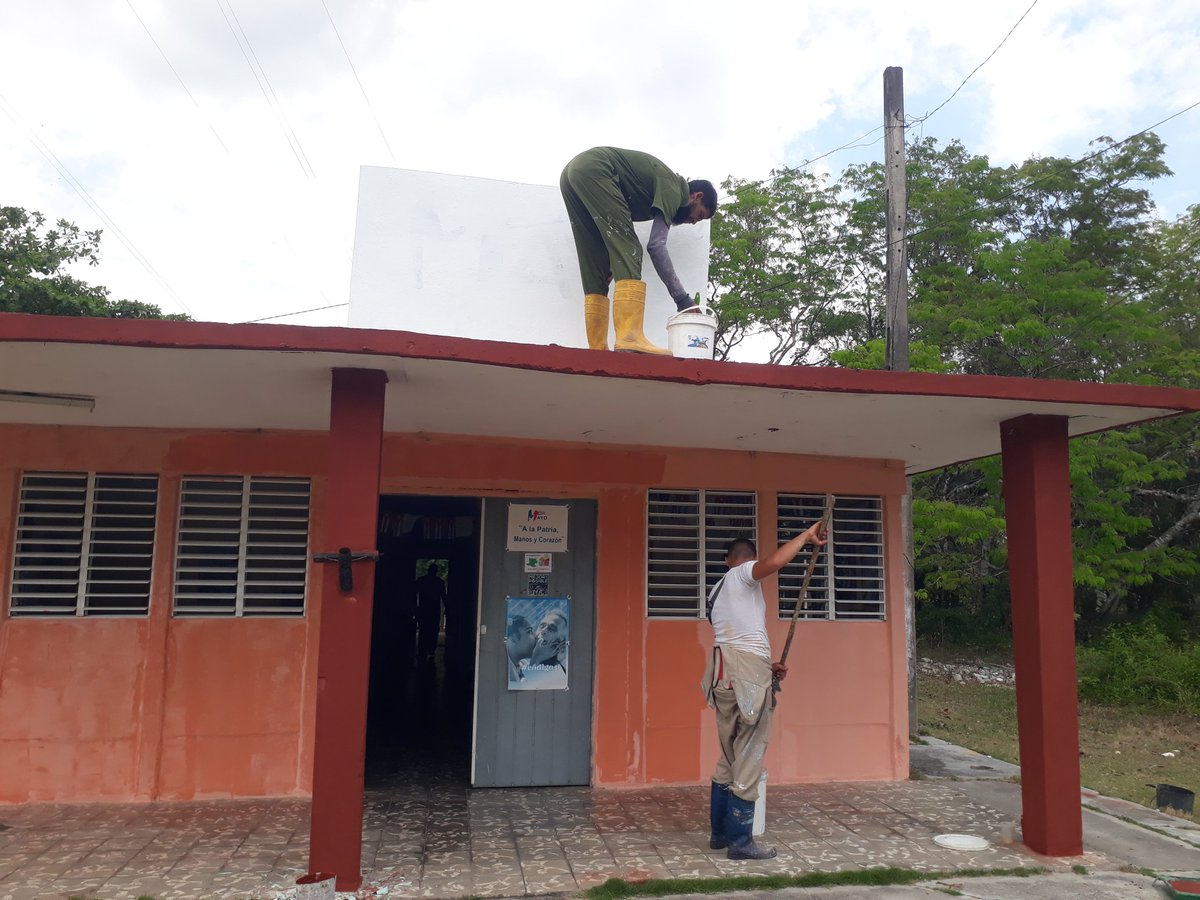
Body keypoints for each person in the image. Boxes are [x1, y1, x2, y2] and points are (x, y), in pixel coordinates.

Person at [703, 523, 826, 860]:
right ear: (742, 561)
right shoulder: (743, 574)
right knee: (750, 753)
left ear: (726, 560)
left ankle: (720, 835)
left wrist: (767, 666)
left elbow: (736, 640)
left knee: (728, 757)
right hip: (743, 677)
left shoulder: (717, 591)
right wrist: (805, 536)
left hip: (724, 675)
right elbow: (772, 564)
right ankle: (740, 843)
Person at [560, 147, 717, 355]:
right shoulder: (674, 187)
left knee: (595, 260)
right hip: (596, 168)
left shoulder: (663, 187)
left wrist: (611, 263)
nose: (694, 221)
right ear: (697, 196)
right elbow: (656, 246)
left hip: (572, 174)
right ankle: (629, 338)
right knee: (630, 249)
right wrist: (682, 300)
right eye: (700, 214)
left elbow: (608, 228)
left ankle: (597, 348)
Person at [414, 563, 447, 665]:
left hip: (424, 609)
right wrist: (447, 608)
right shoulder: (439, 582)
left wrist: (414, 608)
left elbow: (413, 594)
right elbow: (444, 597)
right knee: (432, 631)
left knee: (424, 630)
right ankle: (430, 651)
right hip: (433, 610)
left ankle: (423, 650)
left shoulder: (421, 581)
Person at [505, 614, 536, 685]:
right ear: (514, 638)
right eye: (529, 631)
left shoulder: (523, 665)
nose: (535, 636)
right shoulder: (502, 671)